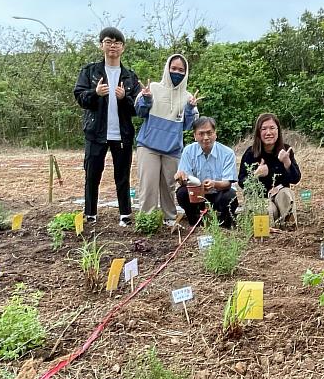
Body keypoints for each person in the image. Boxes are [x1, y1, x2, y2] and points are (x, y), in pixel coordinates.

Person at [73, 27, 141, 226]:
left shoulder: (130, 76)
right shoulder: (90, 71)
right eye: (109, 41)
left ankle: (125, 214)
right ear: (101, 44)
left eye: (117, 43)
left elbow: (137, 107)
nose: (113, 46)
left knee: (122, 175)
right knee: (92, 173)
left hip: (122, 133)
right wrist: (95, 93)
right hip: (96, 132)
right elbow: (80, 97)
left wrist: (124, 98)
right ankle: (90, 214)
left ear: (123, 48)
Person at [134, 54, 201, 224]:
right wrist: (146, 99)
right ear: (167, 69)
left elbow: (188, 126)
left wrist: (190, 108)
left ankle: (169, 218)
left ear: (185, 73)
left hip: (172, 149)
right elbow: (140, 113)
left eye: (181, 70)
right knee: (148, 186)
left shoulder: (188, 97)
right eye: (174, 69)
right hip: (148, 146)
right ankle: (146, 220)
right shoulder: (153, 88)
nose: (177, 72)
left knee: (169, 186)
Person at [238, 113, 301, 225]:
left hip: (279, 196)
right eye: (264, 129)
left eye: (272, 128)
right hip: (259, 197)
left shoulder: (285, 150)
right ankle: (271, 232)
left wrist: (287, 163)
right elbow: (242, 182)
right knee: (268, 210)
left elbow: (295, 179)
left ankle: (289, 226)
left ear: (278, 130)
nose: (268, 133)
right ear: (258, 132)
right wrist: (256, 174)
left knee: (286, 193)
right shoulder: (251, 153)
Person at [175, 117, 239, 228]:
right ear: (195, 136)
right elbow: (185, 180)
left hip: (219, 192)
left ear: (215, 134)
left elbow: (228, 183)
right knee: (182, 193)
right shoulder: (188, 151)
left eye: (209, 133)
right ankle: (195, 222)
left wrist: (214, 184)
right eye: (201, 134)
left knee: (230, 196)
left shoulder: (227, 153)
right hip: (197, 194)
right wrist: (181, 179)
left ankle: (224, 225)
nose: (206, 137)